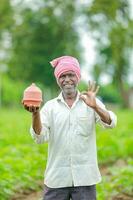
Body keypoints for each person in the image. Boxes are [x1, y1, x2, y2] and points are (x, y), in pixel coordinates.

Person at [24, 55, 117, 200]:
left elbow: (111, 123)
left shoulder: (91, 102)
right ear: (58, 80)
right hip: (57, 179)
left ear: (78, 77)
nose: (67, 79)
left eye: (71, 75)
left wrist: (96, 107)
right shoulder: (50, 107)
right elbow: (40, 137)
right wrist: (35, 114)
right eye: (62, 76)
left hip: (85, 178)